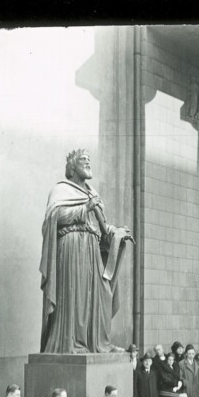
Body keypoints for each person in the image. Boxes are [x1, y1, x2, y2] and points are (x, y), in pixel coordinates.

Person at [39, 149, 132, 354]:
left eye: (89, 160)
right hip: (72, 246)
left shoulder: (93, 193)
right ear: (72, 167)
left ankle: (98, 342)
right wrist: (85, 208)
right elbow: (53, 218)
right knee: (75, 294)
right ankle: (72, 343)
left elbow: (103, 227)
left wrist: (117, 234)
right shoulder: (61, 190)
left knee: (97, 294)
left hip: (91, 249)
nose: (88, 163)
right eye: (83, 160)